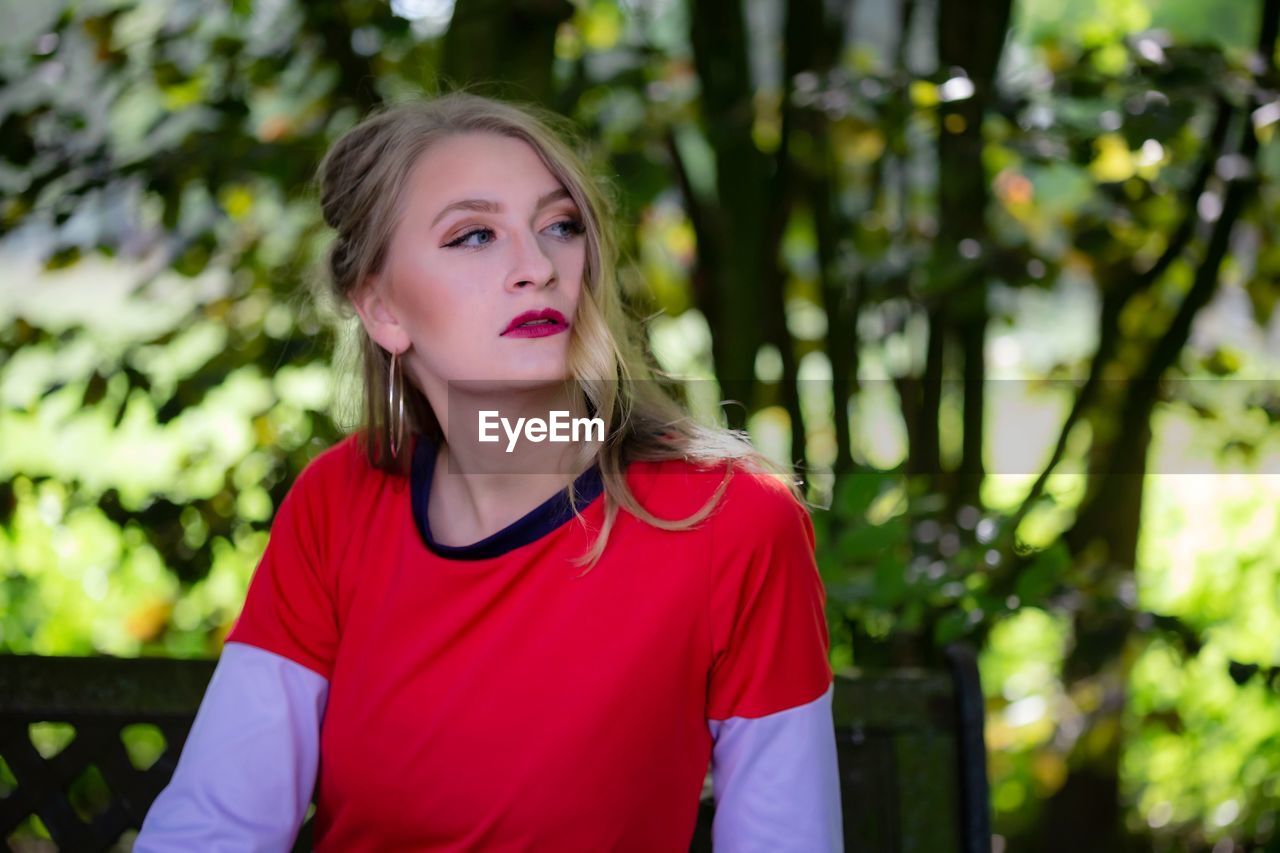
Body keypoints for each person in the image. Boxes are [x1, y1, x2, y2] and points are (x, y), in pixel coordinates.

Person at [135, 91, 842, 852]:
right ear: (381, 309)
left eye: (560, 226)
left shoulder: (730, 520)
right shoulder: (338, 501)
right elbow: (216, 826)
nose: (537, 268)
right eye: (474, 236)